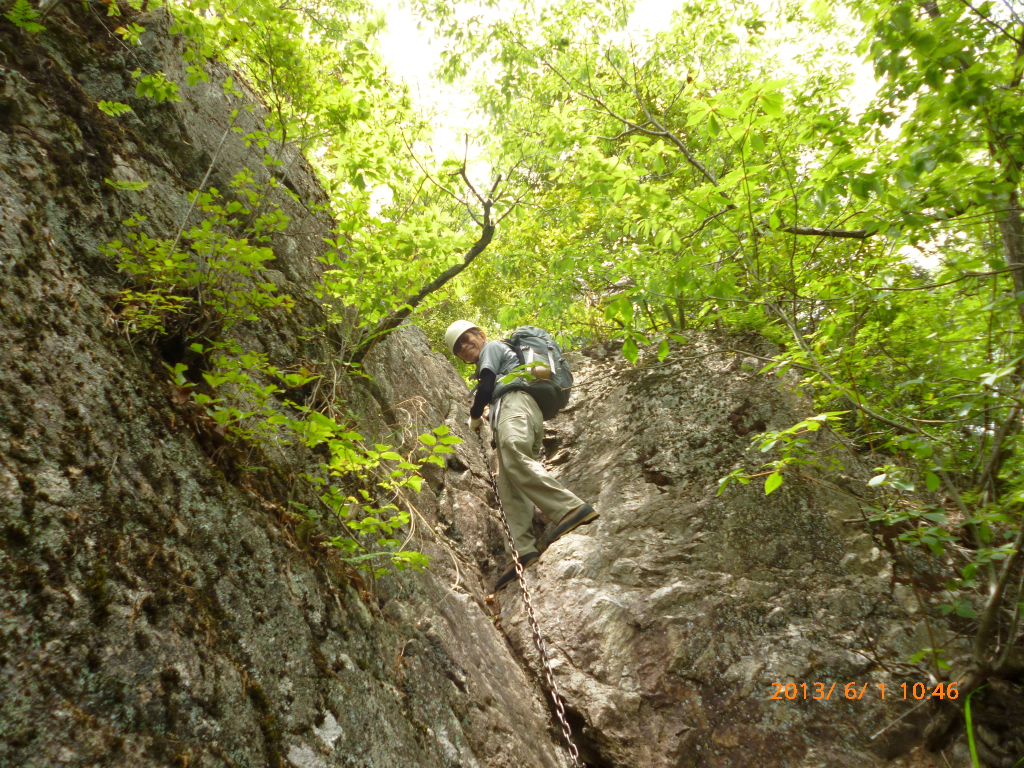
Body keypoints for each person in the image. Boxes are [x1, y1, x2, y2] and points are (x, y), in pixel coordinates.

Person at [444, 320, 599, 591]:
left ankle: (569, 508)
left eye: (468, 339)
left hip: (516, 405)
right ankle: (522, 550)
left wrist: (474, 415)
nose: (465, 347)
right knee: (508, 483)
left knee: (514, 454)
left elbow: (488, 383)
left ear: (480, 335)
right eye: (459, 348)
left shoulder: (492, 348)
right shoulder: (500, 360)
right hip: (517, 411)